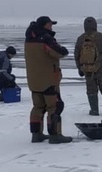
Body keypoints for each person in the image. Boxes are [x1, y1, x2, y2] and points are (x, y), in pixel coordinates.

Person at [24, 16, 72, 144]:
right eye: (50, 24)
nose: (51, 27)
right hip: (48, 79)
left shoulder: (29, 38)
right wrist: (63, 50)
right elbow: (59, 52)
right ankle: (55, 135)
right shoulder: (45, 39)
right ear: (45, 25)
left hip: (34, 80)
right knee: (55, 106)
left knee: (38, 107)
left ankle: (36, 134)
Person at [74, 17, 102, 116]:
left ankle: (94, 110)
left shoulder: (81, 38)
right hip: (101, 67)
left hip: (87, 69)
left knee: (91, 90)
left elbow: (77, 54)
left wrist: (79, 67)